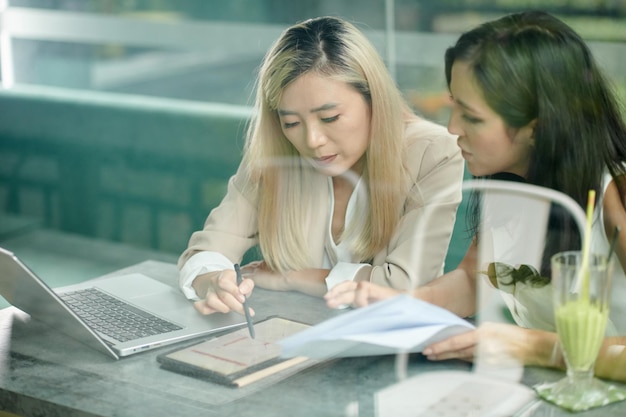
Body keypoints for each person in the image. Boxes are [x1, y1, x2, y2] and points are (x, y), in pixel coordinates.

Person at [325, 11, 626, 382]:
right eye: (453, 106)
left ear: (538, 127)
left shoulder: (617, 197)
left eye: (472, 117)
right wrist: (403, 305)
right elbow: (473, 279)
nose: (452, 129)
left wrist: (531, 346)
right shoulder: (514, 182)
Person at [178, 16, 464, 317]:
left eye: (329, 118)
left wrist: (294, 278)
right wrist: (213, 281)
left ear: (373, 99)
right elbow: (206, 251)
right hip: (289, 335)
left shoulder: (433, 153)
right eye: (291, 122)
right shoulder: (277, 153)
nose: (312, 141)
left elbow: (405, 288)